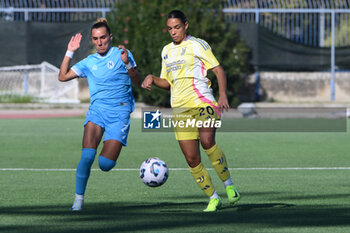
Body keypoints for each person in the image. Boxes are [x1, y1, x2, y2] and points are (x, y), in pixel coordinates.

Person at [142, 10, 240, 212]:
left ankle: (229, 185)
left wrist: (222, 95)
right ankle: (213, 197)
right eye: (170, 28)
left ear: (186, 25)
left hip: (203, 102)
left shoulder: (198, 44)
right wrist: (152, 77)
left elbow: (218, 70)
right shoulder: (166, 51)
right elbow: (167, 82)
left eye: (177, 27)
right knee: (192, 158)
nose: (173, 32)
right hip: (180, 110)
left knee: (207, 142)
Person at [58, 18, 141, 211]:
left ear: (110, 37)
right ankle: (78, 200)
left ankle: (107, 159)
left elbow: (137, 81)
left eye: (103, 37)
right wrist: (70, 51)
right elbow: (62, 76)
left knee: (105, 164)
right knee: (87, 156)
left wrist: (128, 64)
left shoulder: (122, 55)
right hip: (97, 112)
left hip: (119, 114)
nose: (99, 42)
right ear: (92, 40)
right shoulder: (89, 62)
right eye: (95, 39)